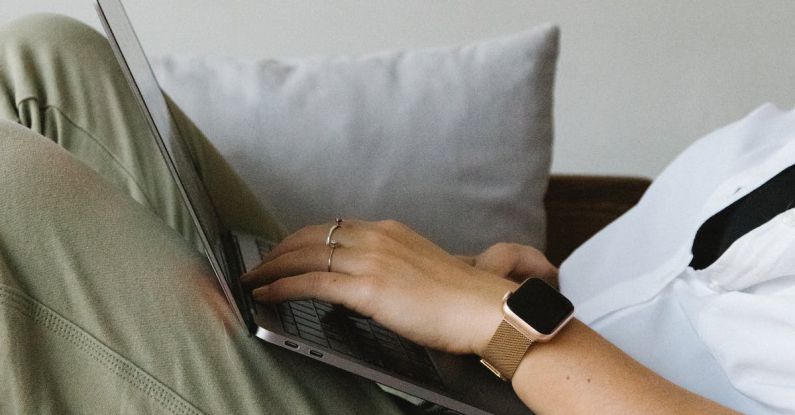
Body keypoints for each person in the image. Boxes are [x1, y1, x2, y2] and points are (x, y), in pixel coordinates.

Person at [1, 13, 792, 415]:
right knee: (47, 62)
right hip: (481, 379)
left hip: (508, 365)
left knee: (13, 186)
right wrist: (527, 297)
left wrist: (507, 323)